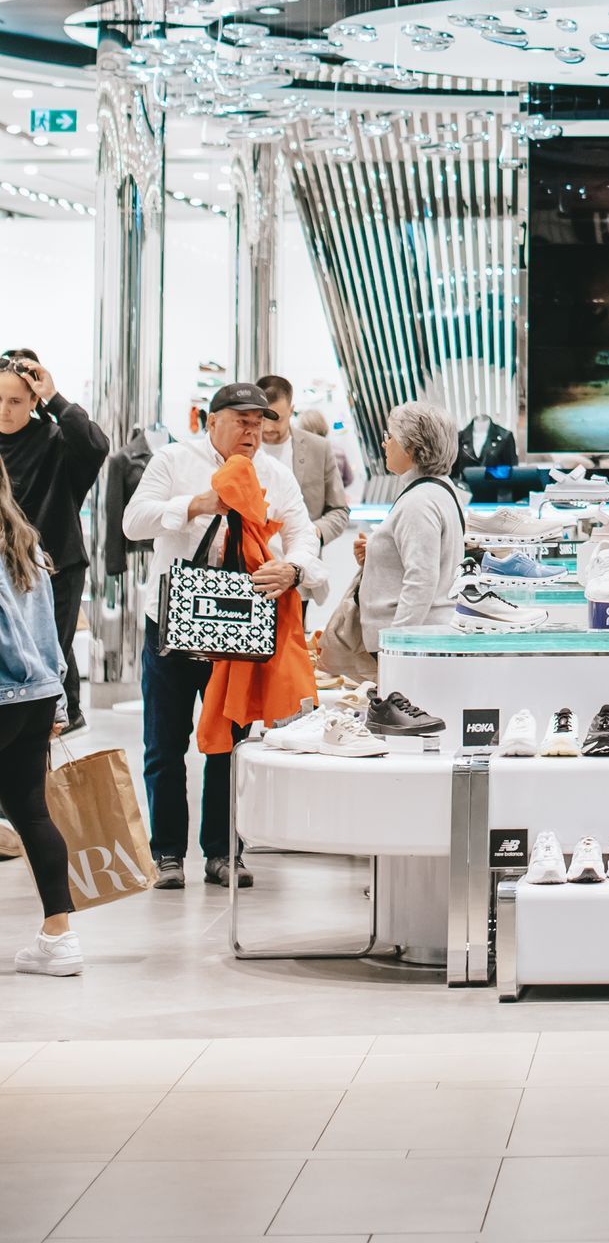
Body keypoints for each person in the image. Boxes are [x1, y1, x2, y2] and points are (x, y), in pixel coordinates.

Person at [122, 380, 318, 889]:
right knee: (164, 744)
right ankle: (167, 853)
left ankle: (224, 852)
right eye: (242, 422)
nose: (253, 433)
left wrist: (293, 568)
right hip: (172, 623)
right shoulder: (173, 460)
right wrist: (194, 504)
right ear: (212, 422)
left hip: (237, 626)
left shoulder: (275, 475)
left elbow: (304, 535)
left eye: (259, 424)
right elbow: (133, 521)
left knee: (230, 744)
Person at [0, 350, 108, 734]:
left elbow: (96, 445)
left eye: (15, 401)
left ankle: (47, 730)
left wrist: (55, 397)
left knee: (47, 657)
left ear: (33, 401)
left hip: (54, 567)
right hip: (4, 571)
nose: (4, 409)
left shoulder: (54, 441)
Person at [0, 460, 80, 977]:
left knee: (29, 812)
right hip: (36, 696)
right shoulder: (24, 541)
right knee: (31, 813)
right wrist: (57, 700)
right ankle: (59, 938)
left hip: (6, 689)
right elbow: (48, 630)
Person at [353, 403, 466, 644]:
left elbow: (421, 580)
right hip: (425, 635)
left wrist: (397, 641)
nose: (385, 443)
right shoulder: (438, 490)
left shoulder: (419, 501)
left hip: (414, 640)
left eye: (390, 437)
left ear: (412, 447)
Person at [258, 375, 353, 546]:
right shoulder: (241, 447)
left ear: (291, 410)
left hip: (302, 557)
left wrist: (314, 532)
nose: (269, 427)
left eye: (277, 419)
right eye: (263, 418)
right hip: (250, 558)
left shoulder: (319, 448)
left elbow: (339, 509)